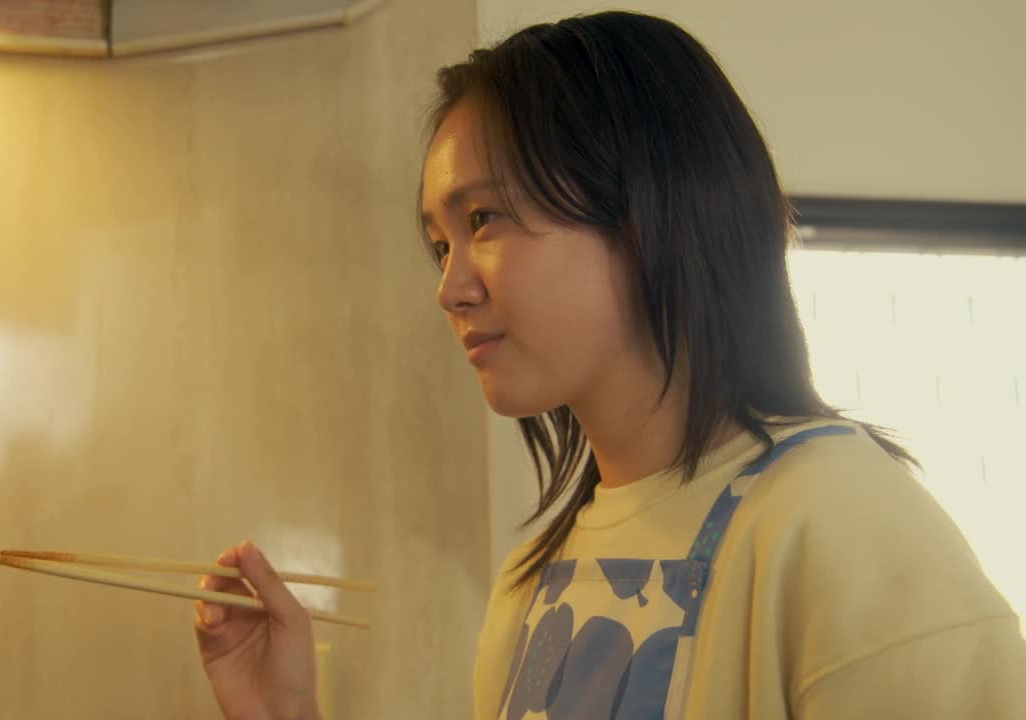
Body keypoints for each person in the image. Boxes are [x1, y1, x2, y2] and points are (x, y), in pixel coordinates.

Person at [192, 10, 1026, 719]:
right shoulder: (530, 583)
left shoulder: (841, 524)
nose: (450, 288)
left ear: (645, 210)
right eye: (440, 244)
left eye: (483, 219)